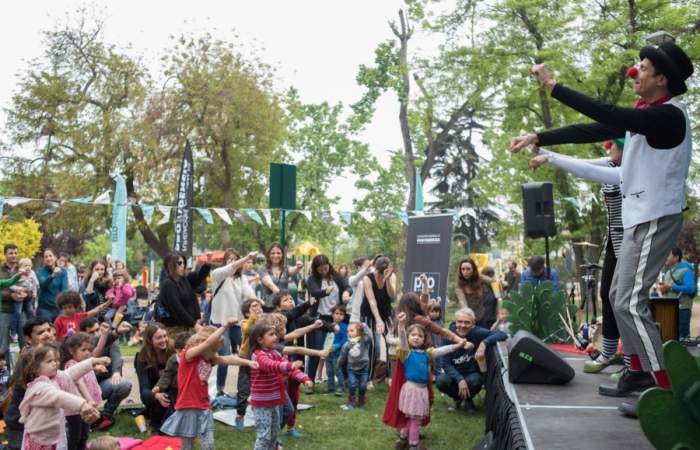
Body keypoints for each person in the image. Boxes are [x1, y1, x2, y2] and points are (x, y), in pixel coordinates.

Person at [510, 42, 693, 412]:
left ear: (661, 78)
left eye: (642, 67)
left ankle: (666, 390)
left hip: (656, 218)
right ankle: (639, 370)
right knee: (615, 297)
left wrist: (554, 86)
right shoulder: (646, 116)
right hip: (638, 220)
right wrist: (541, 138)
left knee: (627, 301)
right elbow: (593, 127)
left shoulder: (669, 117)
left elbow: (605, 111)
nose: (634, 72)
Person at [531, 138, 626, 373]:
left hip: (634, 237)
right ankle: (608, 351)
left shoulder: (634, 168)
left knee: (625, 300)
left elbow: (586, 170)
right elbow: (581, 165)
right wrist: (544, 152)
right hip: (616, 238)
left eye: (612, 145)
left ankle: (634, 362)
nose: (608, 148)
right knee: (607, 294)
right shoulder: (608, 164)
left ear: (625, 148)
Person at [160, 322, 257, 450]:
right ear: (203, 344)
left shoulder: (208, 359)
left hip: (204, 406)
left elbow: (228, 359)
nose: (215, 353)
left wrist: (248, 362)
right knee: (187, 445)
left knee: (209, 444)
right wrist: (225, 326)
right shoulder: (188, 355)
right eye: (213, 350)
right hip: (187, 406)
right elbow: (207, 343)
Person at [386, 312, 466, 450]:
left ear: (424, 339)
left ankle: (403, 439)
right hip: (412, 390)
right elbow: (403, 340)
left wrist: (456, 346)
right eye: (413, 335)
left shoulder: (426, 354)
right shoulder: (406, 353)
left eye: (420, 336)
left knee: (411, 417)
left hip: (421, 391)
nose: (416, 338)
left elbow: (441, 350)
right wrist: (401, 325)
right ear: (409, 337)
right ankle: (414, 444)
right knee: (415, 419)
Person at [18, 344, 106, 450]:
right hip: (38, 441)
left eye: (55, 360)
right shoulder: (39, 388)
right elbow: (58, 396)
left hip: (50, 438)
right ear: (35, 369)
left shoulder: (54, 378)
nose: (55, 363)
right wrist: (82, 404)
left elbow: (71, 373)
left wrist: (92, 362)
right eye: (49, 361)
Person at [249, 322, 312, 450]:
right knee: (264, 436)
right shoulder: (258, 356)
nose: (276, 337)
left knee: (274, 434)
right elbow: (271, 366)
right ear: (260, 339)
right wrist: (290, 365)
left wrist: (304, 379)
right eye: (271, 335)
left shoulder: (275, 353)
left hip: (275, 401)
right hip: (262, 404)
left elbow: (289, 368)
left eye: (275, 334)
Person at [436, 308, 507, 411]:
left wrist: (484, 343)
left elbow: (502, 334)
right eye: (460, 322)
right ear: (455, 322)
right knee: (441, 381)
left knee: (476, 381)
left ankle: (468, 399)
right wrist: (459, 379)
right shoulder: (448, 336)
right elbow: (445, 363)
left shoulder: (477, 332)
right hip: (453, 373)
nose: (463, 325)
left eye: (467, 322)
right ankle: (457, 399)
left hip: (471, 373)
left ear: (473, 323)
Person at [209, 249, 257, 397]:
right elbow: (229, 269)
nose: (232, 261)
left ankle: (247, 386)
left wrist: (258, 305)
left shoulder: (241, 279)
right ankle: (220, 389)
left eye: (235, 258)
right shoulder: (217, 275)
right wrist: (246, 257)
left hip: (238, 322)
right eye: (229, 259)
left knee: (248, 352)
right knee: (225, 354)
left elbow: (250, 295)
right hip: (221, 322)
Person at [79, 316, 134, 430]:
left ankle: (105, 416)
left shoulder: (109, 340)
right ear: (83, 334)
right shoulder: (79, 346)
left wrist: (116, 372)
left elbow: (117, 357)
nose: (96, 333)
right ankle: (85, 420)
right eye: (91, 332)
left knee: (124, 384)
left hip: (101, 385)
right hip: (82, 390)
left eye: (97, 329)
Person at [304, 254, 351, 384]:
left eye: (326, 268)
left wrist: (347, 292)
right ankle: (310, 380)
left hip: (336, 318)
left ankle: (345, 380)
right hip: (320, 317)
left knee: (341, 348)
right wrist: (325, 291)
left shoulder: (335, 276)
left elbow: (347, 286)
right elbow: (314, 292)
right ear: (315, 269)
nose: (324, 271)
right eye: (321, 270)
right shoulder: (312, 279)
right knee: (317, 350)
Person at [61, 332, 104, 450]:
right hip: (75, 409)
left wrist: (98, 367)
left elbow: (90, 370)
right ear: (71, 351)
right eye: (83, 349)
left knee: (84, 434)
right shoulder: (71, 365)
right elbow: (80, 382)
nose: (87, 353)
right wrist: (89, 399)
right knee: (75, 436)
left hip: (86, 406)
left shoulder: (86, 363)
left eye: (89, 349)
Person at [360, 256, 396, 382]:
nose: (380, 275)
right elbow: (371, 301)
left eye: (383, 273)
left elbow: (392, 296)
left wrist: (386, 280)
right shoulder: (367, 278)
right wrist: (378, 320)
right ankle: (369, 378)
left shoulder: (391, 276)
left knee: (391, 342)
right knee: (372, 344)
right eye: (379, 272)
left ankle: (389, 376)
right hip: (368, 313)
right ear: (376, 269)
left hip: (386, 312)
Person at [157, 252, 211, 334]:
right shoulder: (168, 284)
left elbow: (199, 277)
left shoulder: (184, 280)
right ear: (170, 265)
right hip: (176, 328)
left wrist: (208, 263)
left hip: (188, 326)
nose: (183, 265)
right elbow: (177, 308)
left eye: (183, 263)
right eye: (179, 263)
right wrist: (194, 324)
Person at [134, 322, 175, 429]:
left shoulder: (173, 351)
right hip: (154, 394)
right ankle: (154, 419)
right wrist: (156, 396)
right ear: (149, 340)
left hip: (174, 391)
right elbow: (144, 390)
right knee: (161, 397)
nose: (164, 340)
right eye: (159, 338)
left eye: (165, 336)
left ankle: (153, 415)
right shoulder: (142, 358)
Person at [235, 297, 265, 431]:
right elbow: (248, 330)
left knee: (260, 387)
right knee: (244, 388)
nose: (258, 308)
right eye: (254, 306)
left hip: (260, 359)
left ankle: (260, 415)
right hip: (246, 359)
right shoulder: (245, 322)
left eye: (259, 306)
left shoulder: (264, 322)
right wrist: (254, 318)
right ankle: (240, 416)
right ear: (247, 313)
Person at [657, 247, 695, 340]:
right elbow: (668, 289)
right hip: (669, 310)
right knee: (670, 339)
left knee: (683, 341)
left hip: (682, 310)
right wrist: (663, 289)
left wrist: (670, 287)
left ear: (676, 257)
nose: (665, 257)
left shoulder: (686, 270)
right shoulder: (667, 273)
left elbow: (690, 288)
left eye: (668, 255)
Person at [338, 322, 373, 410]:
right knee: (352, 385)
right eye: (348, 331)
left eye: (352, 331)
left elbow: (370, 336)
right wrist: (338, 365)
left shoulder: (364, 341)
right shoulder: (347, 345)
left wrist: (365, 326)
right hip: (351, 369)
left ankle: (361, 401)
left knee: (363, 386)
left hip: (364, 368)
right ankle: (351, 402)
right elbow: (342, 356)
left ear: (359, 332)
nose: (349, 333)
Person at [455, 259, 498, 328]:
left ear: (473, 270)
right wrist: (469, 317)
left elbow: (495, 282)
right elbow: (463, 303)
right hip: (467, 318)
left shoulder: (480, 278)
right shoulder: (459, 286)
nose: (465, 272)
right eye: (462, 269)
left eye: (468, 269)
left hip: (481, 317)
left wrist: (503, 284)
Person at [259, 243, 303, 309]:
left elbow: (293, 269)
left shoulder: (285, 268)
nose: (276, 255)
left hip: (285, 306)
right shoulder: (263, 269)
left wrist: (298, 266)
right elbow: (271, 285)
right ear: (268, 255)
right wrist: (285, 300)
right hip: (270, 306)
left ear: (282, 255)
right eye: (273, 253)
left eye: (278, 253)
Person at [0, 244, 20, 367]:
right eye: (11, 253)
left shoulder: (23, 267)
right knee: (3, 343)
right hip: (5, 310)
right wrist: (11, 296)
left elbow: (32, 287)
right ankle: (5, 371)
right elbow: (4, 285)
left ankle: (24, 372)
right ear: (5, 254)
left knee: (24, 341)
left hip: (21, 310)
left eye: (15, 253)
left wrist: (24, 294)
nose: (13, 255)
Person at [36, 248, 69, 322]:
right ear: (44, 259)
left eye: (50, 256)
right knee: (47, 330)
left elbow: (64, 290)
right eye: (46, 257)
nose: (48, 258)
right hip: (44, 308)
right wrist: (53, 275)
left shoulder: (63, 272)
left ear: (55, 257)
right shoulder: (39, 272)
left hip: (59, 308)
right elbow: (43, 284)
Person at [10, 258, 38, 342]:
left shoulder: (32, 273)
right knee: (17, 312)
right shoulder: (18, 274)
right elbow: (11, 285)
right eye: (25, 265)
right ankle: (13, 331)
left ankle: (31, 328)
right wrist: (18, 289)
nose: (28, 267)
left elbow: (35, 284)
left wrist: (34, 292)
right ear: (20, 266)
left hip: (28, 296)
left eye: (29, 265)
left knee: (30, 311)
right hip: (19, 296)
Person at [327, 305, 348, 395]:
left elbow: (345, 339)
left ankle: (341, 387)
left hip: (338, 353)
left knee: (337, 370)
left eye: (341, 314)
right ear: (332, 315)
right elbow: (327, 338)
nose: (339, 316)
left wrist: (337, 345)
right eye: (336, 313)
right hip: (328, 352)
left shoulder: (344, 327)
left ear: (344, 316)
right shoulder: (329, 326)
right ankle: (330, 387)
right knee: (329, 371)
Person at [348, 257, 372, 322]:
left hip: (368, 316)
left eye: (370, 265)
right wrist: (365, 269)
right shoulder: (353, 278)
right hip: (356, 316)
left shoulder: (371, 279)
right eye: (367, 265)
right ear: (359, 267)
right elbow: (353, 282)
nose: (369, 268)